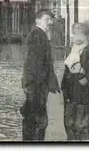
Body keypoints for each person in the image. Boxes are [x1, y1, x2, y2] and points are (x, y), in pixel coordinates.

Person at [21, 9, 60, 141]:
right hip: (36, 85)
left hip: (35, 84)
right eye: (46, 19)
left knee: (33, 119)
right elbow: (36, 64)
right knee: (38, 120)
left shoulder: (39, 34)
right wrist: (40, 85)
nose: (50, 22)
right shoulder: (38, 35)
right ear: (37, 20)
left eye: (51, 20)